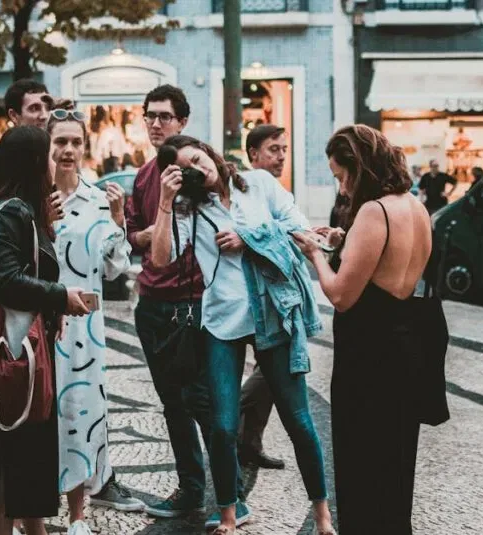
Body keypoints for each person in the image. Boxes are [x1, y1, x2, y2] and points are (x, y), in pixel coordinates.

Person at [151, 135, 335, 535]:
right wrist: (165, 202)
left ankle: (322, 514)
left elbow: (298, 229)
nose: (200, 169)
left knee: (299, 419)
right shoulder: (188, 209)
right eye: (189, 168)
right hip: (222, 324)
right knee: (222, 425)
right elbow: (161, 258)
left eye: (199, 158)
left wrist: (248, 239)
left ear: (209, 151)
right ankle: (229, 515)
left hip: (271, 315)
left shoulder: (258, 185)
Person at [292, 124, 431, 534]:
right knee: (394, 463)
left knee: (361, 464)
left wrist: (315, 254)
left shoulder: (374, 211)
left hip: (370, 357)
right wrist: (345, 240)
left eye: (340, 176)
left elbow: (340, 295)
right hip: (404, 348)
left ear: (359, 167)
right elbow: (390, 267)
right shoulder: (415, 207)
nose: (341, 188)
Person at [0, 125, 91, 535]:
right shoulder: (12, 212)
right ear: (37, 162)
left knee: (29, 446)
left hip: (27, 347)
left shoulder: (19, 211)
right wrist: (59, 297)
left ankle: (35, 529)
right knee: (10, 445)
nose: (57, 161)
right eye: (50, 154)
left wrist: (45, 226)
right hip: (15, 351)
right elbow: (5, 279)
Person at [125, 85, 227, 522]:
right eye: (150, 116)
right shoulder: (145, 176)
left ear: (183, 122)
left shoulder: (199, 170)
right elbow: (133, 235)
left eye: (165, 117)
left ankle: (229, 490)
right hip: (152, 301)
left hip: (195, 302)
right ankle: (190, 487)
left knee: (204, 401)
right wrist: (145, 235)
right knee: (172, 403)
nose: (155, 124)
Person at [45, 101, 143, 534]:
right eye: (60, 141)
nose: (68, 150)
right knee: (41, 415)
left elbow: (115, 269)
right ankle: (35, 508)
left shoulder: (96, 198)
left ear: (84, 147)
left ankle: (78, 515)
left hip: (85, 331)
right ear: (47, 146)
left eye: (74, 142)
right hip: (40, 324)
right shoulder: (32, 197)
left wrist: (119, 219)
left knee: (82, 413)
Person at [232, 123, 291, 470]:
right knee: (274, 370)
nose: (281, 156)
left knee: (270, 371)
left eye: (283, 149)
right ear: (253, 154)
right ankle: (231, 411)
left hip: (272, 296)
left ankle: (250, 443)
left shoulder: (276, 190)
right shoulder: (243, 189)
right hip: (247, 297)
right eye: (273, 149)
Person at [0, 79, 52, 207]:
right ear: (14, 115)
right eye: (34, 108)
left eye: (48, 108)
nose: (44, 116)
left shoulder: (58, 154)